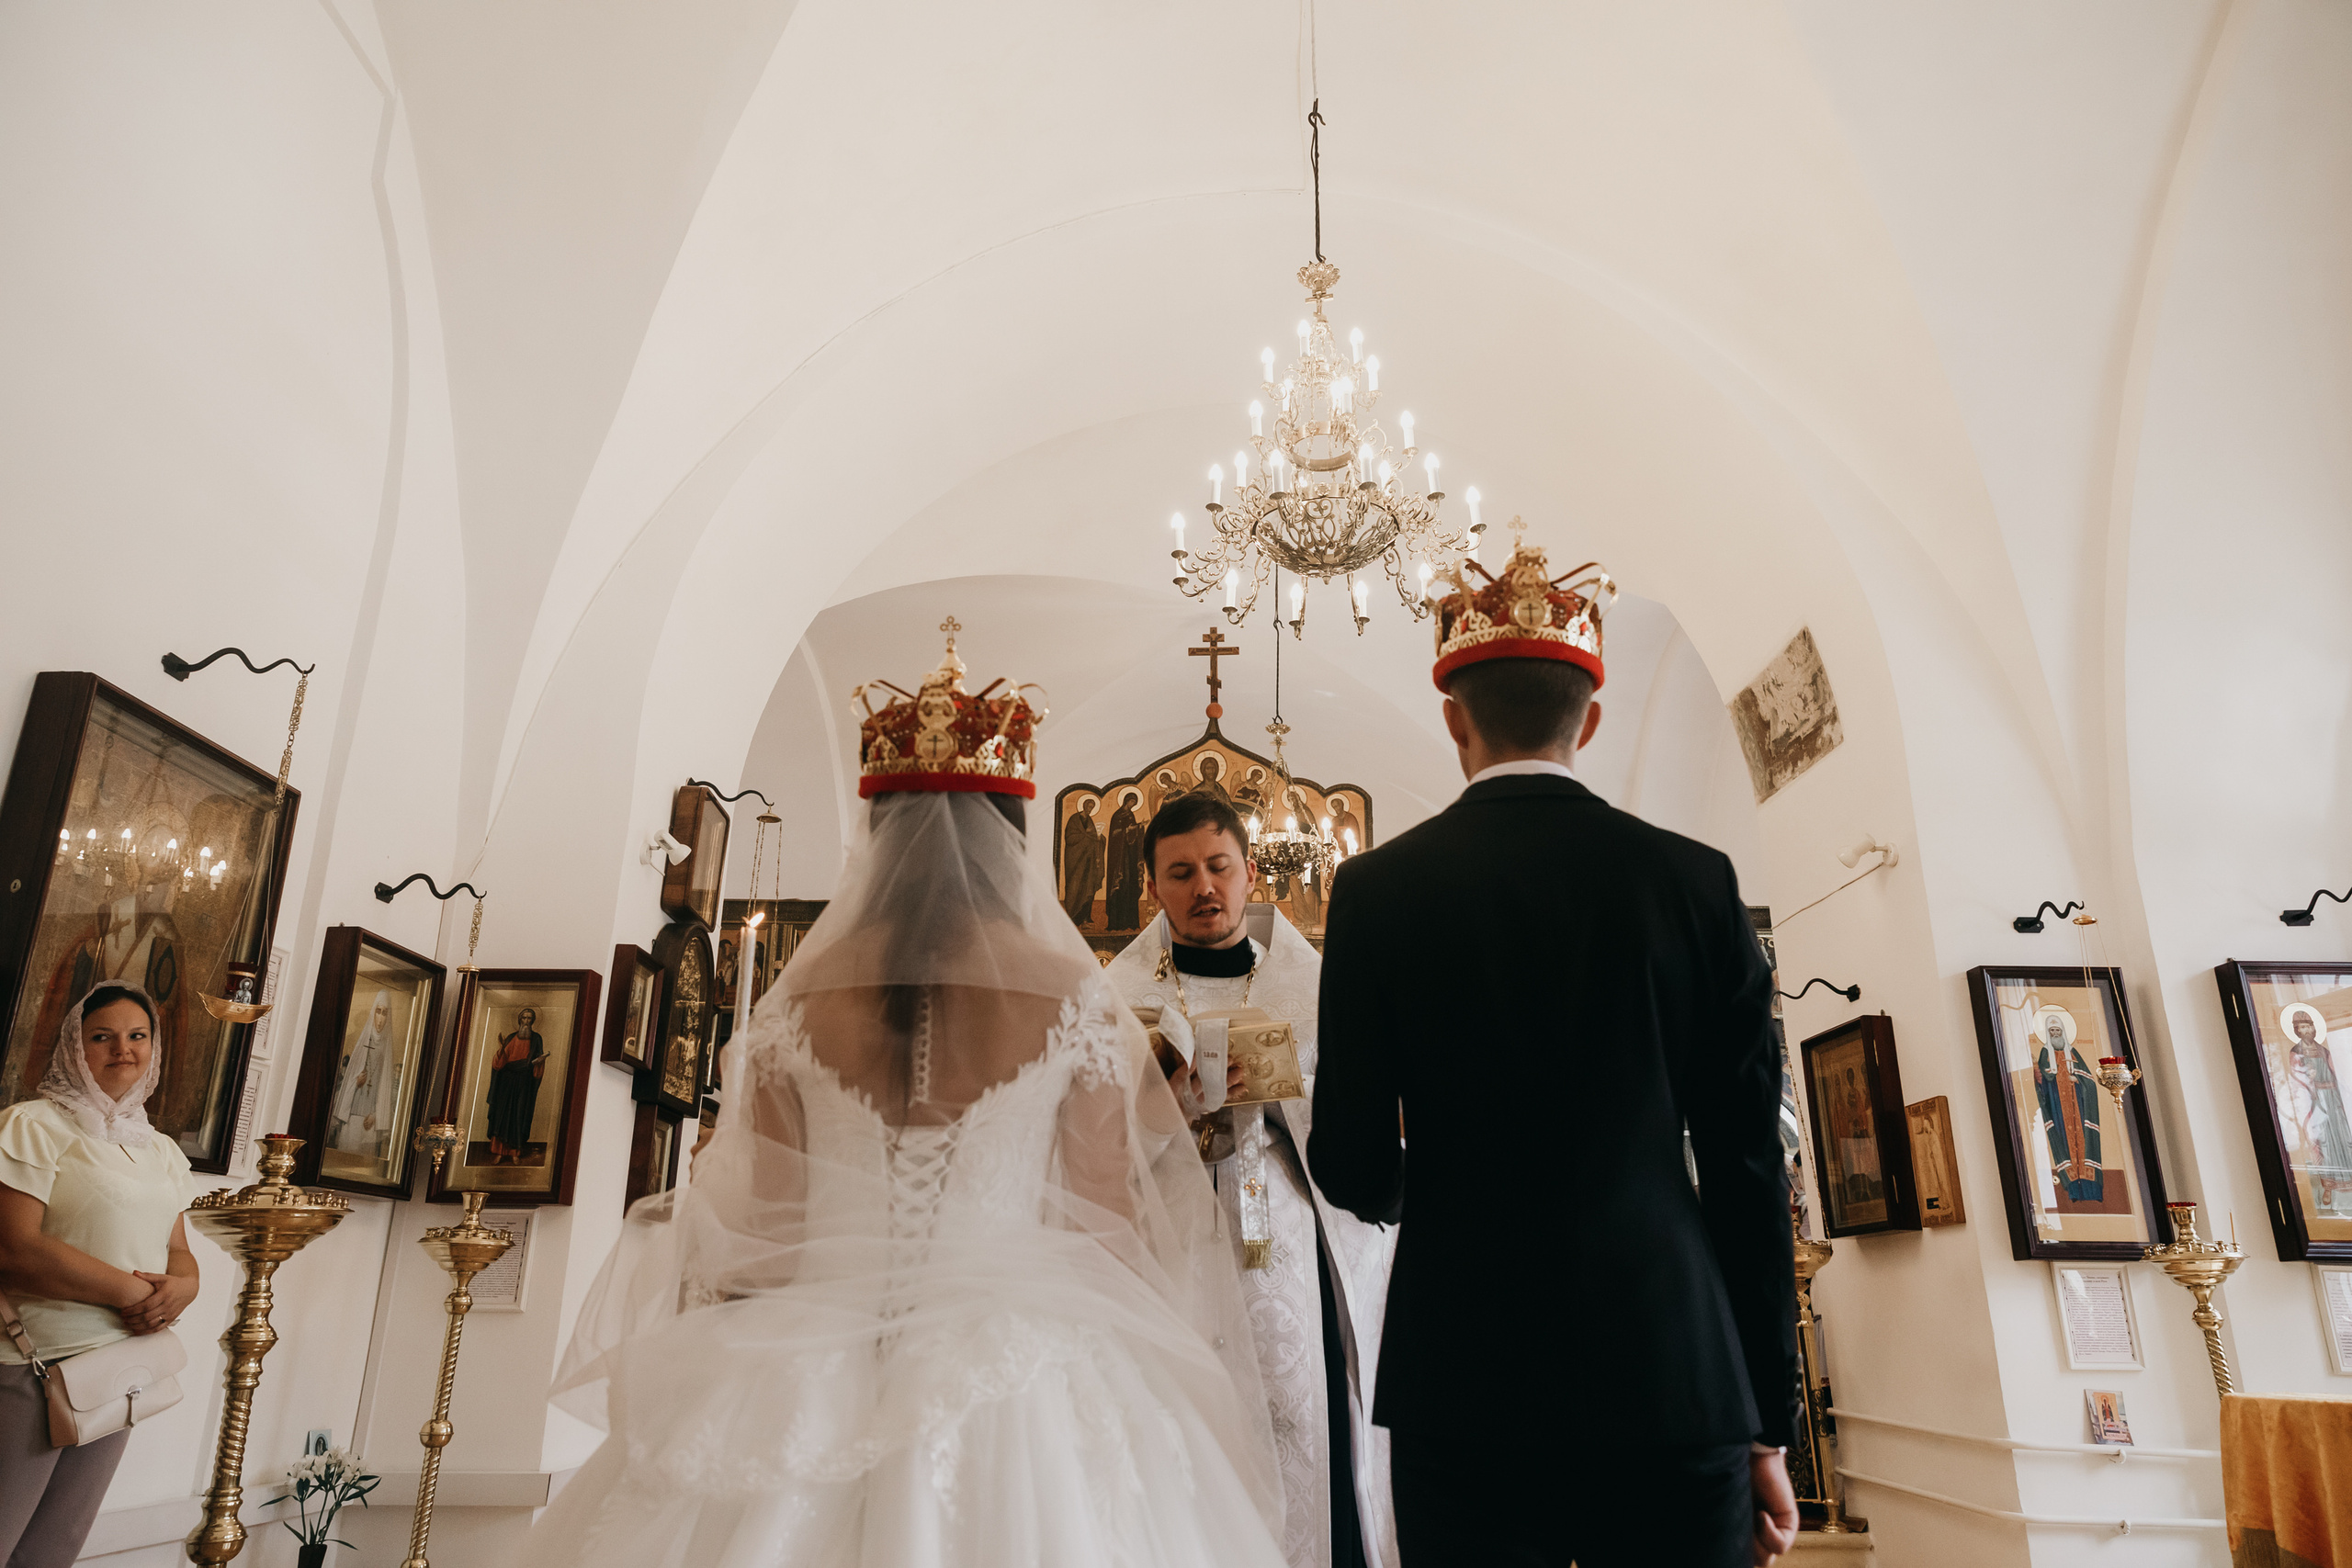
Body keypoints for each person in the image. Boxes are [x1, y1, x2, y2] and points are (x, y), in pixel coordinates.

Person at [515, 626, 1285, 1568]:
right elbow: (1102, 1223)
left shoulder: (802, 995)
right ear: (1011, 841)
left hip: (805, 1346)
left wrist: (723, 1329)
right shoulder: (1070, 994)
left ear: (876, 837)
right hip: (1011, 1358)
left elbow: (764, 1226)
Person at [1307, 536, 1798, 1568]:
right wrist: (1764, 1421)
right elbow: (1750, 1166)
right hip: (1671, 1364)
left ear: (1455, 721)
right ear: (1592, 720)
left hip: (1462, 1374)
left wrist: (1435, 1186)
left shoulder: (1377, 893)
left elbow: (1349, 1163)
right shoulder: (1695, 882)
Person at [1102, 792, 1397, 1568]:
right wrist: (1167, 1111)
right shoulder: (1117, 999)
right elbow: (1091, 1141)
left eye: (1218, 866)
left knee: (1301, 1411)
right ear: (1152, 887)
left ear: (1250, 871)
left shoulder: (1315, 986)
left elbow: (1362, 1118)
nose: (1204, 886)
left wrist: (1279, 1096)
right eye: (1181, 873)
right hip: (1172, 1245)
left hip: (1290, 1244)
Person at [0, 985, 200, 1568]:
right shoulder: (31, 1124)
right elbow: (14, 1249)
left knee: (52, 1551)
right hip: (33, 1361)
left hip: (119, 1369)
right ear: (73, 1046)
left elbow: (177, 1248)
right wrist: (133, 1293)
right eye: (102, 1037)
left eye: (137, 1036)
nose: (123, 1050)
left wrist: (187, 1288)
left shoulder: (160, 1149)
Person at [329, 989, 393, 1156]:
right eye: (378, 1011)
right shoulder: (361, 1044)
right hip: (352, 1117)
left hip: (370, 1120)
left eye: (384, 1013)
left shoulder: (387, 1049)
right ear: (373, 1013)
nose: (380, 1018)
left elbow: (386, 1091)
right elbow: (346, 1084)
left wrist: (376, 1115)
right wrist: (356, 1083)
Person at [486, 1008, 546, 1165]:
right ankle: (499, 1152)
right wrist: (501, 1049)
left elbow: (538, 1063)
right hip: (506, 1082)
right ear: (520, 1020)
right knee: (502, 1115)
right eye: (524, 1018)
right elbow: (499, 1063)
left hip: (524, 1082)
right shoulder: (511, 1038)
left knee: (518, 1116)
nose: (526, 1021)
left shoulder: (536, 1039)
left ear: (533, 1021)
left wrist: (539, 1062)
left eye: (529, 1018)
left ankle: (515, 1153)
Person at [1105, 789, 1148, 931]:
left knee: (1130, 885)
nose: (1133, 805)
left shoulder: (1131, 815)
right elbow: (1115, 833)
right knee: (1119, 885)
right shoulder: (1117, 816)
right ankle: (1116, 923)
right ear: (1126, 801)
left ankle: (1131, 922)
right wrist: (1128, 830)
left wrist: (1138, 827)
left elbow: (1132, 836)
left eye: (1135, 803)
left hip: (1129, 857)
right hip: (1119, 859)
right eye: (1132, 802)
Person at [1059, 795, 1104, 927]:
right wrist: (1086, 833)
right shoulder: (1074, 819)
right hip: (1077, 862)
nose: (1090, 809)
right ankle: (1073, 917)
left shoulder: (1089, 820)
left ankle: (1085, 918)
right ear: (1084, 806)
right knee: (1075, 887)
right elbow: (1070, 838)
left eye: (1092, 807)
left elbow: (1094, 838)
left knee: (1088, 888)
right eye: (1089, 807)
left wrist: (1100, 837)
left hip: (1089, 862)